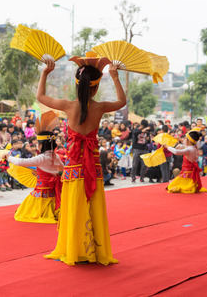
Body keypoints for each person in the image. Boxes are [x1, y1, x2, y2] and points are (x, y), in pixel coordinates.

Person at [38, 53, 124, 265]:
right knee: (93, 205)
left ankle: (74, 249)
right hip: (93, 165)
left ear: (77, 84)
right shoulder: (101, 107)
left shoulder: (68, 105)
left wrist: (45, 73)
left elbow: (41, 97)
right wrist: (115, 77)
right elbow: (122, 101)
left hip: (74, 165)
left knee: (74, 208)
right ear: (95, 87)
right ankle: (94, 249)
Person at [4, 125, 64, 224]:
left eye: (38, 144)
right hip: (53, 190)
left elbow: (21, 162)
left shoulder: (41, 158)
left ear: (42, 145)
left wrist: (8, 157)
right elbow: (62, 168)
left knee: (23, 211)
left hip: (42, 190)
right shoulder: (55, 156)